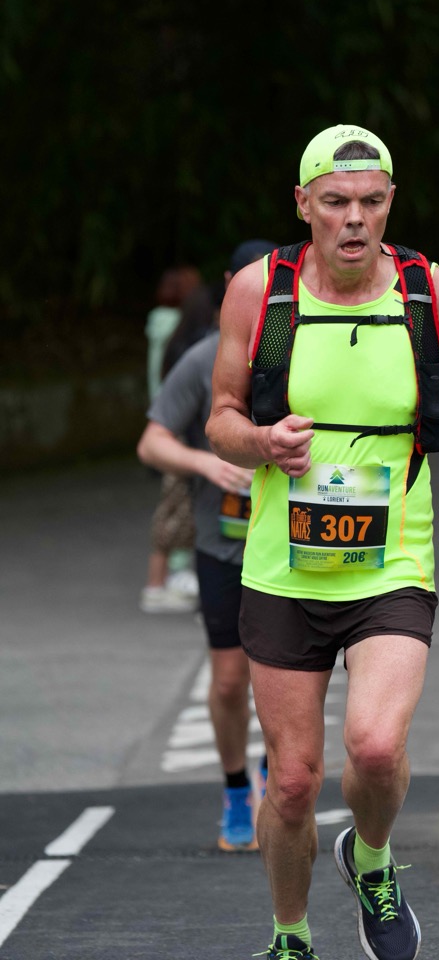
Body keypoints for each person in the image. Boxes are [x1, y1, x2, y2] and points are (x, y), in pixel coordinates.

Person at [206, 124, 439, 960]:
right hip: (283, 567)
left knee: (373, 747)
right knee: (293, 782)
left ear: (390, 202)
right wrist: (261, 443)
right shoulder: (262, 294)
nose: (355, 219)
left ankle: (371, 860)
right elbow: (221, 418)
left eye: (371, 201)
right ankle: (290, 936)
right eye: (335, 202)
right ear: (303, 205)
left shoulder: (429, 294)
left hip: (391, 561)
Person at [137, 239, 277, 850]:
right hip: (222, 547)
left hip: (290, 545)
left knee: (285, 681)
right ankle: (236, 787)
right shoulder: (203, 358)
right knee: (227, 682)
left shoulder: (304, 347)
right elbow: (151, 441)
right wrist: (206, 463)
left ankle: (276, 779)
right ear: (227, 283)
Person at [141, 265, 205, 613]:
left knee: (175, 500)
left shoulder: (157, 322)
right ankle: (170, 578)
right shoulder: (181, 329)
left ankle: (170, 579)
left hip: (163, 412)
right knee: (177, 501)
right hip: (176, 419)